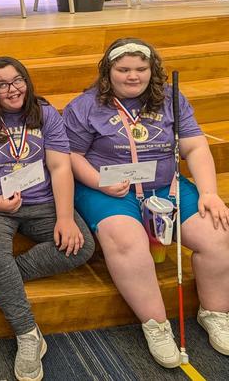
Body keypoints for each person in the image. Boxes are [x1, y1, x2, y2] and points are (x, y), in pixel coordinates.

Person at [63, 38, 229, 368]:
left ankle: (216, 313)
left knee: (217, 231)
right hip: (109, 187)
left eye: (141, 69)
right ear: (107, 72)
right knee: (128, 240)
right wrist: (100, 182)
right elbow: (71, 155)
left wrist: (209, 193)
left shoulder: (171, 100)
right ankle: (156, 324)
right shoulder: (84, 106)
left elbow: (195, 148)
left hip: (164, 185)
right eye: (123, 69)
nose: (133, 76)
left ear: (152, 71)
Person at [0, 57, 94, 381]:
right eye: (2, 84)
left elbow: (59, 167)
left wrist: (66, 217)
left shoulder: (44, 114)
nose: (13, 89)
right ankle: (29, 334)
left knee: (81, 247)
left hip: (40, 200)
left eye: (18, 81)